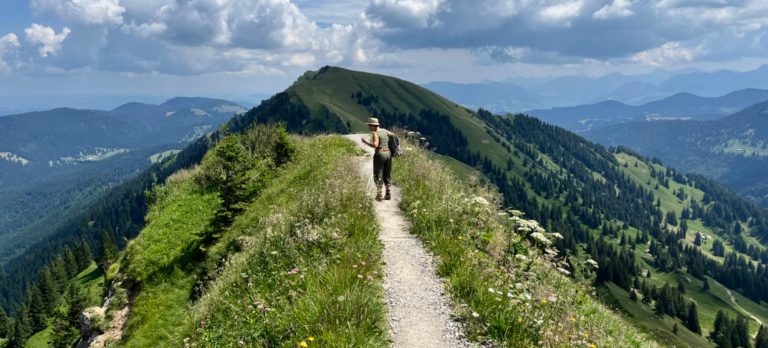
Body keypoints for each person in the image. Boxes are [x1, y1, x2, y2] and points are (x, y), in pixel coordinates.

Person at [361, 117, 392, 201]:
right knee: (387, 173)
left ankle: (379, 195)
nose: (369, 127)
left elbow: (375, 145)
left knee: (378, 173)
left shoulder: (375, 133)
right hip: (388, 154)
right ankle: (388, 193)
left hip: (380, 154)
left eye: (369, 125)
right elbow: (392, 135)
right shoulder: (385, 131)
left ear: (372, 125)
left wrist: (365, 142)